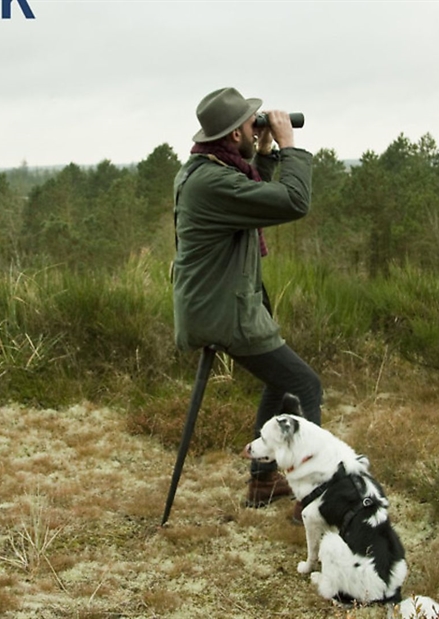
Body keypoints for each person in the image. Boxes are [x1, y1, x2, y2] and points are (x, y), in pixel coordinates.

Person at [171, 87, 322, 513]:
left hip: (218, 304)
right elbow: (293, 201)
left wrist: (267, 156)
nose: (256, 126)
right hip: (225, 312)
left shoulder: (204, 170)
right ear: (236, 132)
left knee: (281, 382)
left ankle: (262, 484)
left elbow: (249, 196)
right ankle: (313, 498)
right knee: (305, 385)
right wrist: (290, 147)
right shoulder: (212, 181)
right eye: (250, 123)